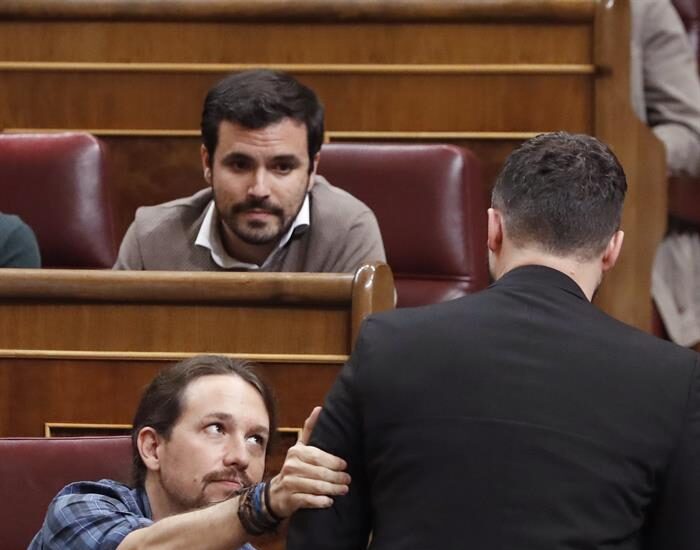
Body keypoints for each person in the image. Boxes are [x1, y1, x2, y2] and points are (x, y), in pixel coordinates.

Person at [287, 133, 700, 549]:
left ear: (493, 230)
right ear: (612, 250)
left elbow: (321, 522)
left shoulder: (386, 343)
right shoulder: (673, 379)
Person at [30, 355, 350, 549]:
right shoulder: (78, 511)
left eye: (256, 439)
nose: (240, 456)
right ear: (153, 448)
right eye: (216, 429)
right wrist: (266, 502)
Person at [114, 69, 385, 272]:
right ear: (207, 163)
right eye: (240, 165)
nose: (259, 190)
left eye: (282, 167)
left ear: (312, 169)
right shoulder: (150, 241)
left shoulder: (348, 233)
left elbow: (367, 346)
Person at [630, 0, 700, 350]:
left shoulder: (642, 7)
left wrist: (631, 150)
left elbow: (692, 130)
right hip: (474, 214)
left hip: (625, 219)